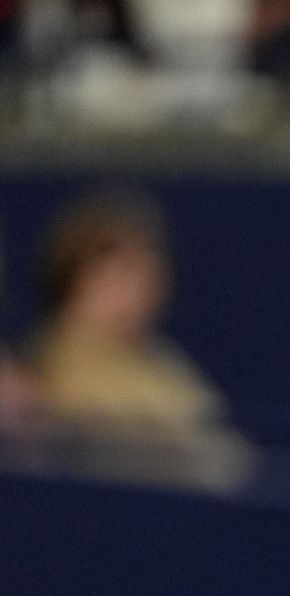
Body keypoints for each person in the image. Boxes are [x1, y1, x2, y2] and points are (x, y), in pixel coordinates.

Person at [23, 187, 251, 480]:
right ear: (75, 278)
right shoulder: (56, 366)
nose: (136, 290)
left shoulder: (159, 359)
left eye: (145, 273)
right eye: (118, 275)